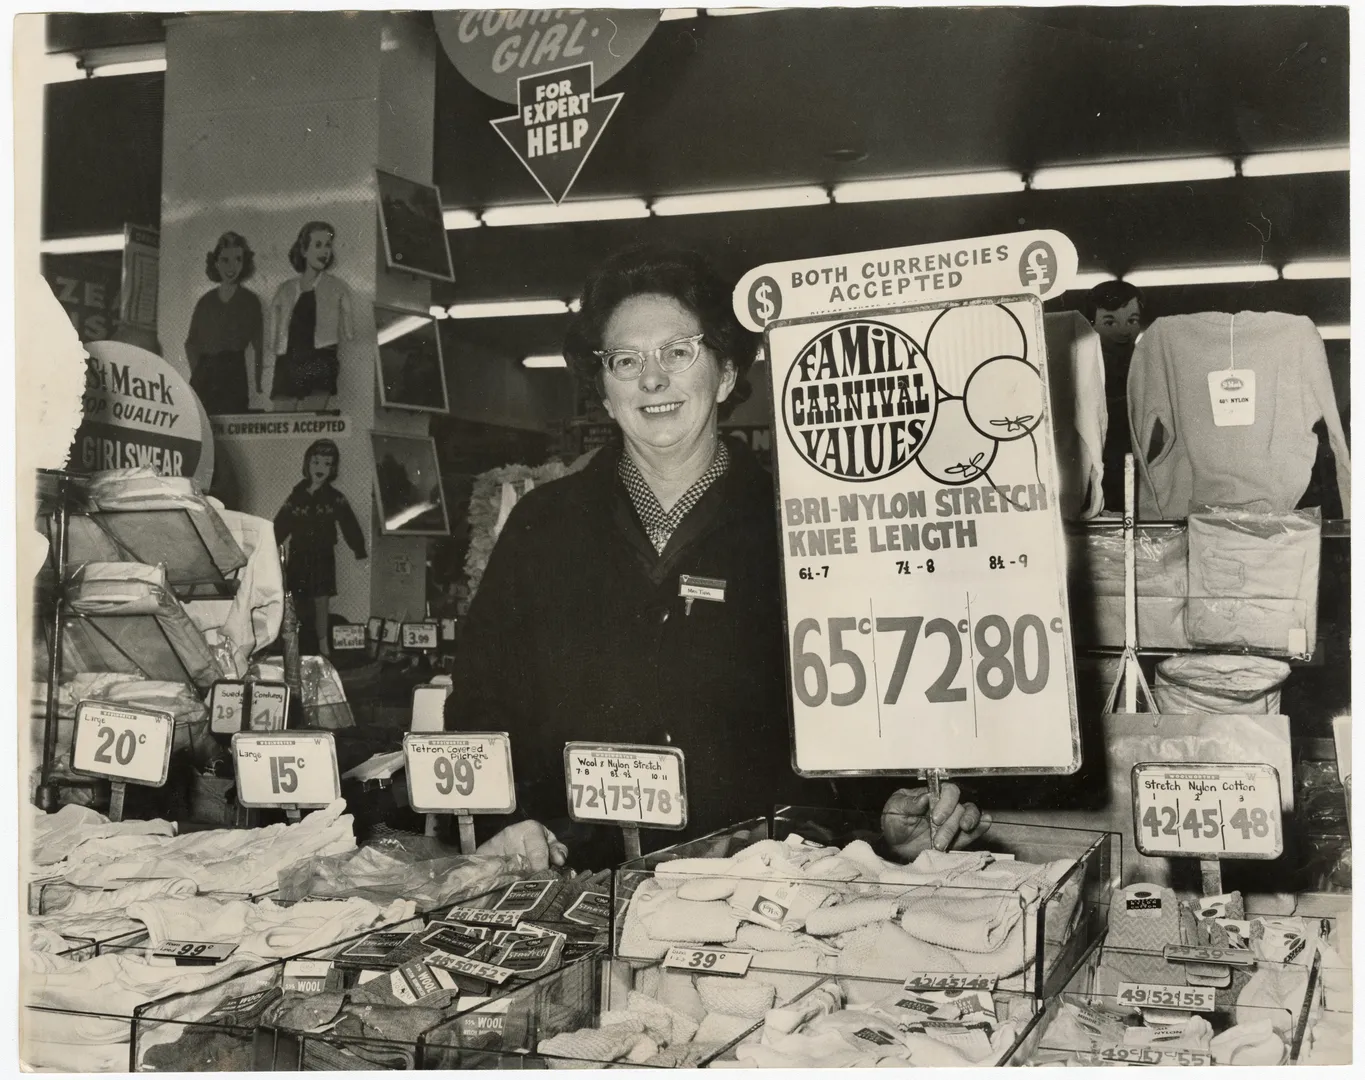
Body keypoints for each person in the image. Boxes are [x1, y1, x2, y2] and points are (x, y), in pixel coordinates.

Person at [446, 245, 989, 870]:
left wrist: (883, 812)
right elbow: (482, 699)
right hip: (577, 878)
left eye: (678, 353)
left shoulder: (801, 523)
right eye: (627, 361)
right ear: (603, 388)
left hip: (767, 884)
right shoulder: (542, 526)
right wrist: (506, 821)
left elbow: (858, 705)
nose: (652, 379)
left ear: (726, 375)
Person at [273, 439, 367, 655]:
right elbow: (281, 524)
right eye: (316, 462)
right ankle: (291, 643)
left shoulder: (335, 498)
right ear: (308, 464)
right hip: (298, 555)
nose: (320, 469)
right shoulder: (296, 496)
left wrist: (358, 549)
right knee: (294, 600)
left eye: (327, 464)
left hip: (323, 556)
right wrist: (270, 546)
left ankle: (323, 644)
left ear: (333, 469)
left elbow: (349, 523)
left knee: (321, 601)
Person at [269, 221, 354, 411]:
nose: (324, 251)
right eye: (318, 245)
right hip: (288, 361)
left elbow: (348, 325)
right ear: (304, 250)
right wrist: (274, 344)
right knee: (281, 420)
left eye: (328, 245)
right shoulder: (286, 289)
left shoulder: (336, 287)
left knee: (312, 420)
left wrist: (348, 332)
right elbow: (275, 316)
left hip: (320, 359)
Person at [1082, 280, 1147, 511]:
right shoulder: (1082, 368)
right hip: (1097, 469)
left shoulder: (1149, 363)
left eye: (1132, 321)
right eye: (1110, 322)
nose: (1123, 330)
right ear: (1091, 324)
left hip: (1139, 471)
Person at [184, 231, 263, 414]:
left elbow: (258, 346)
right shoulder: (205, 301)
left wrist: (258, 384)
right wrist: (200, 375)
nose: (231, 266)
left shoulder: (250, 300)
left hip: (233, 372)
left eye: (238, 259)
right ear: (216, 263)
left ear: (244, 263)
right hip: (205, 374)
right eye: (225, 260)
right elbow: (191, 343)